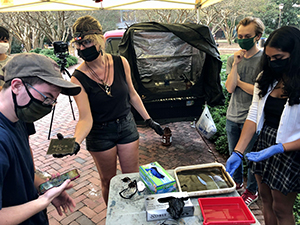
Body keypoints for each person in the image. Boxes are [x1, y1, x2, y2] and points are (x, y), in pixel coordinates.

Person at [68, 15, 163, 205]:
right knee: (109, 181)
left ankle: (132, 213)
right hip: (100, 133)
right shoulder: (77, 78)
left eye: (87, 42)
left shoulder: (121, 63)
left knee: (132, 178)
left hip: (126, 126)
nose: (82, 49)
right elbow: (85, 118)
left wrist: (149, 120)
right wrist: (75, 141)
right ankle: (113, 216)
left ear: (99, 39)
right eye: (78, 44)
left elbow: (133, 95)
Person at [226, 26, 300, 225]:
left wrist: (281, 147)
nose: (272, 62)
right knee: (266, 199)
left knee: (281, 208)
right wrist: (238, 152)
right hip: (266, 143)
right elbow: (253, 115)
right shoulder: (265, 79)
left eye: (279, 57)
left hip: (292, 149)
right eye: (269, 58)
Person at [0, 53, 81, 224]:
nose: (48, 106)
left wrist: (44, 187)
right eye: (46, 98)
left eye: (53, 101)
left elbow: (22, 172)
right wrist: (43, 201)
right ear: (16, 86)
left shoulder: (19, 116)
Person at [225, 17, 264, 206]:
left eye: (247, 36)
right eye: (239, 36)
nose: (242, 39)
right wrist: (235, 66)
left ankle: (252, 190)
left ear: (258, 36)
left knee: (252, 158)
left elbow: (259, 92)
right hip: (233, 116)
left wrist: (240, 82)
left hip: (254, 118)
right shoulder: (234, 58)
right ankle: (237, 182)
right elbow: (230, 88)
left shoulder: (264, 59)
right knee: (235, 153)